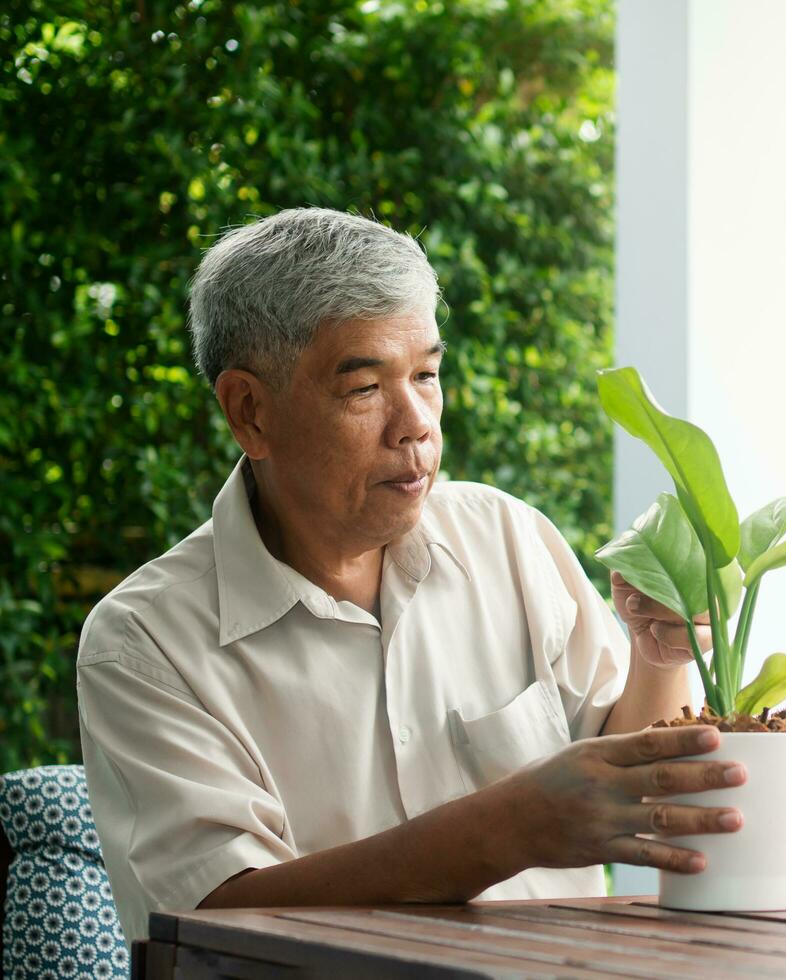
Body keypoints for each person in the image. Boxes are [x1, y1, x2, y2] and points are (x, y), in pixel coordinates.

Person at [76, 208, 742, 944]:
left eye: (426, 374)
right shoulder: (145, 642)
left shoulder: (505, 537)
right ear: (250, 411)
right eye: (364, 388)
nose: (415, 423)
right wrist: (510, 827)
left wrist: (658, 655)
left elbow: (632, 773)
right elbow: (214, 917)